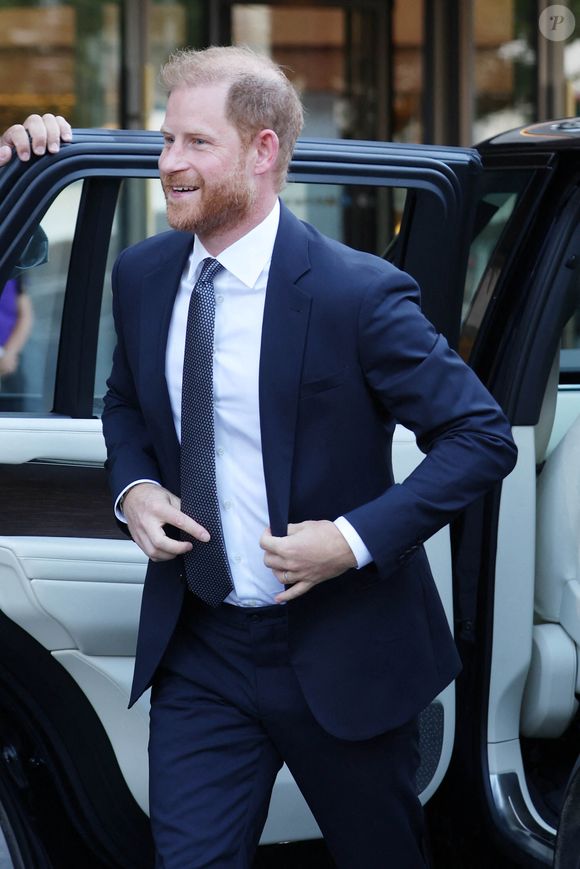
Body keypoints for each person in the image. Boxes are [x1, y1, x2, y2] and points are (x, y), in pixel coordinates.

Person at [0, 47, 518, 868]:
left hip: (342, 648)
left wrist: (350, 539)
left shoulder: (358, 293)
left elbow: (481, 438)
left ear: (264, 150)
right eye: (167, 140)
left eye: (196, 143)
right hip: (200, 650)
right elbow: (126, 403)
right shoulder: (141, 275)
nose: (169, 163)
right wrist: (133, 484)